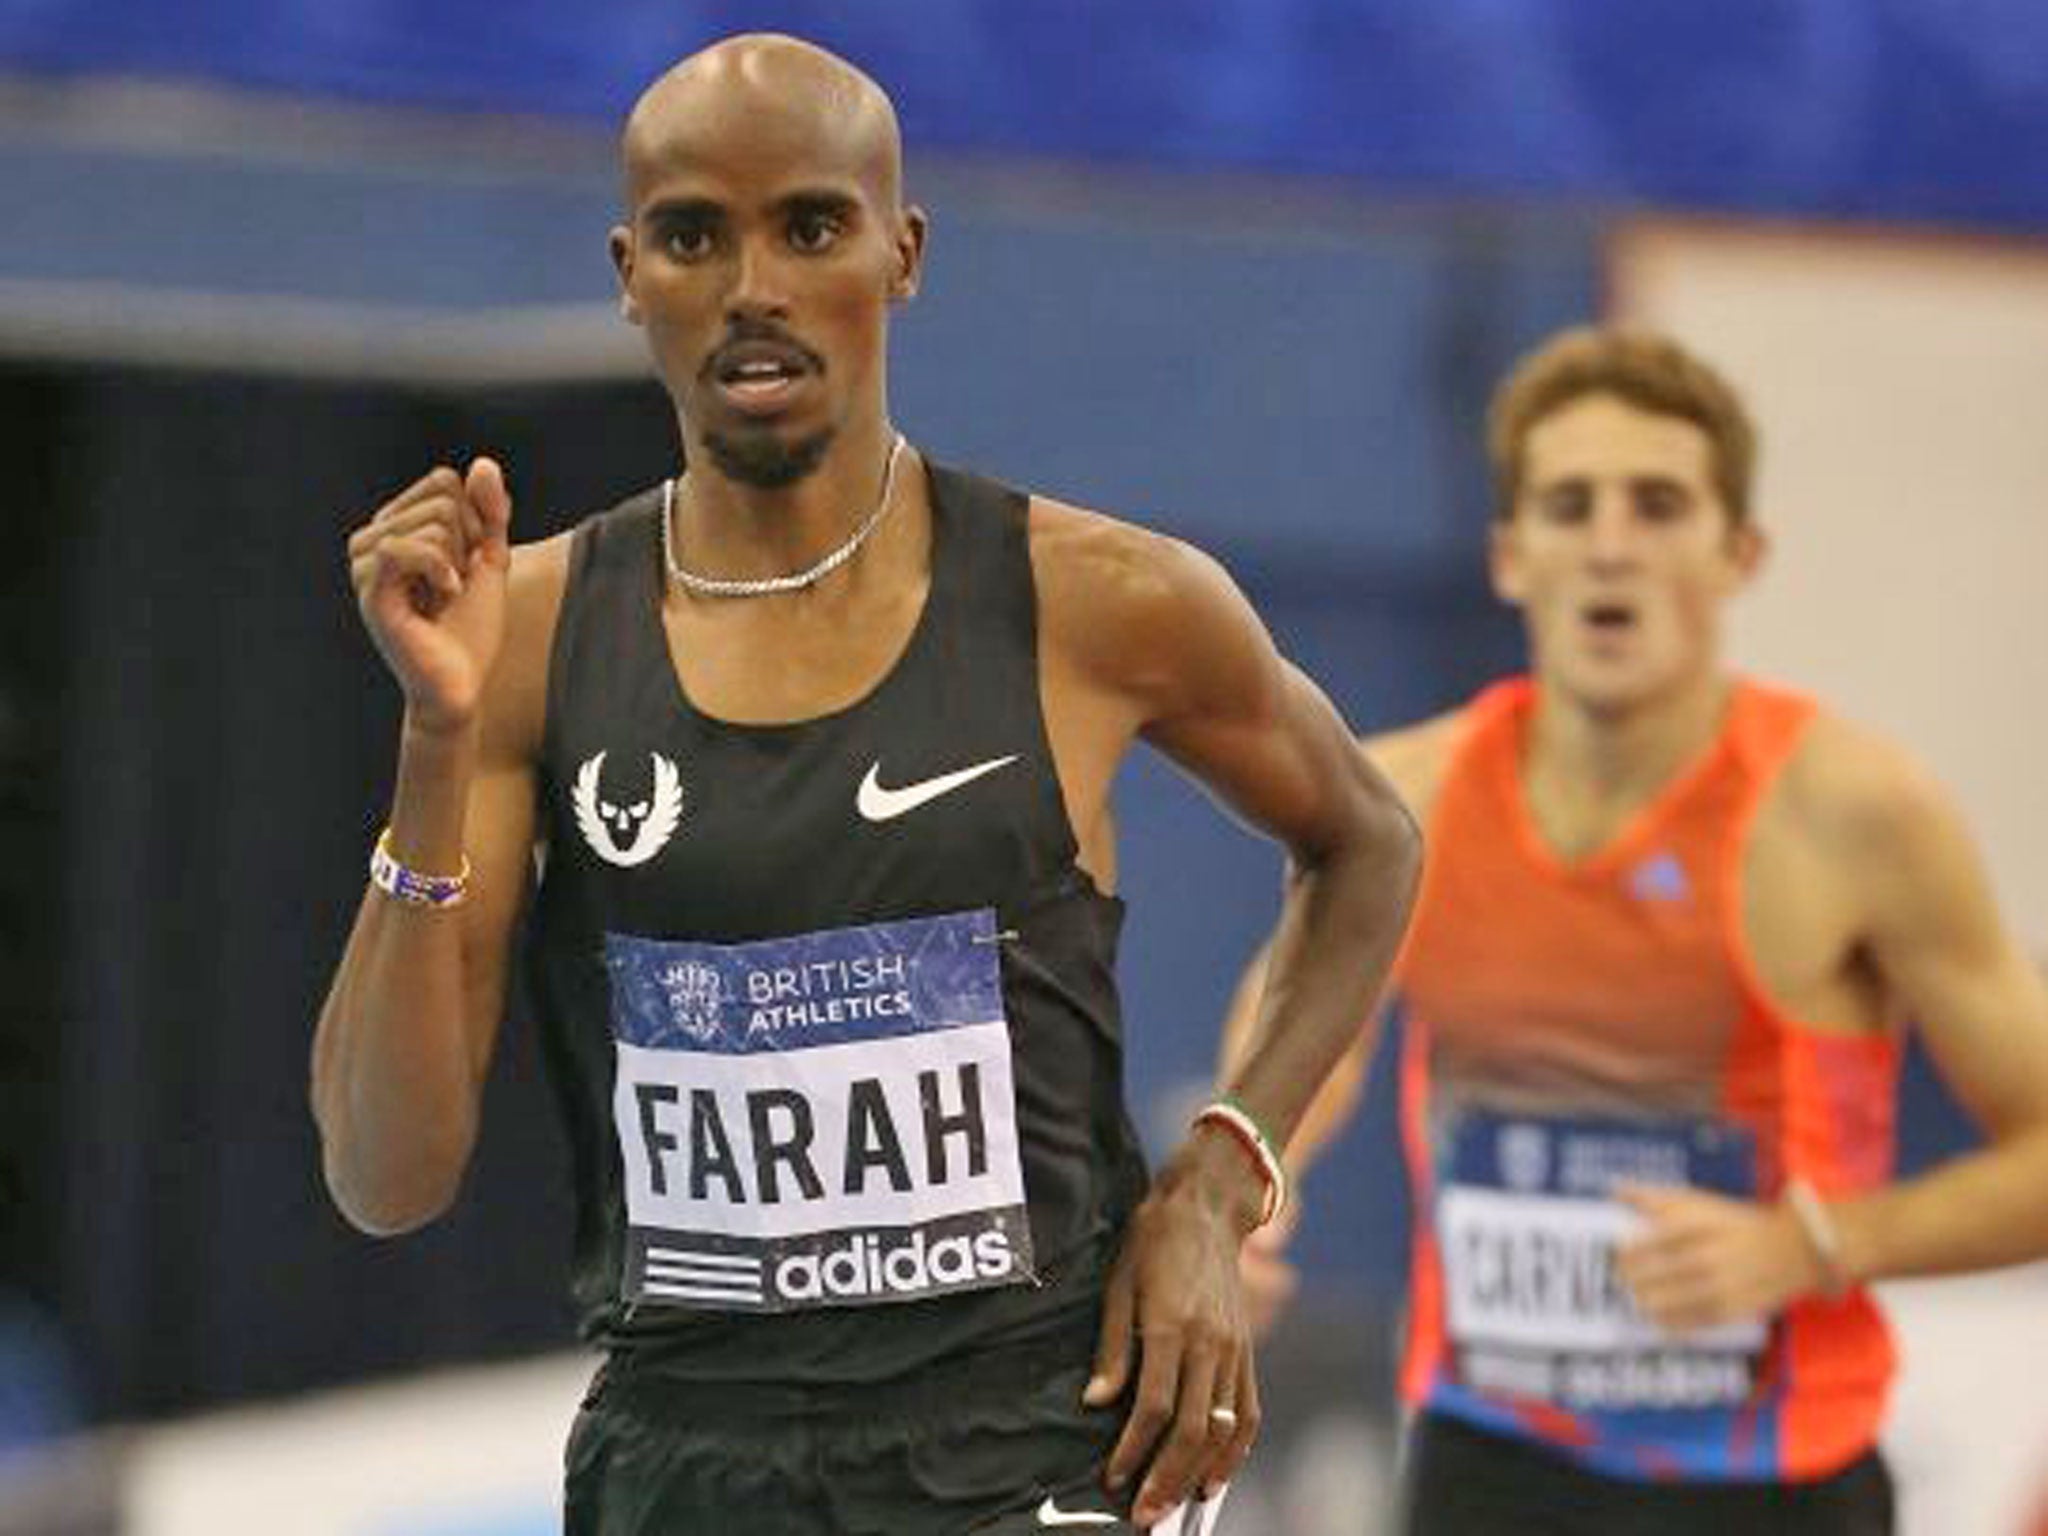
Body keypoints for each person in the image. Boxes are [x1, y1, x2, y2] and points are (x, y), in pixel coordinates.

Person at [312, 32, 1419, 1536]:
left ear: (901, 254)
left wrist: (1221, 1187)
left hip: (1036, 1450)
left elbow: (1367, 845)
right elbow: (388, 1177)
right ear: (631, 273)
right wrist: (434, 742)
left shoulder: (1104, 601)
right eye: (698, 235)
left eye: (810, 226)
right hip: (688, 1464)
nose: (754, 285)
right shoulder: (530, 640)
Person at [1224, 326, 2048, 1534]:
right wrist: (1251, 1184)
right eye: (1569, 506)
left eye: (1657, 505)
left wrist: (1808, 1245)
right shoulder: (1407, 802)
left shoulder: (1852, 815)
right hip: (1487, 1467)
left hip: (1773, 1486)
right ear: (1510, 556)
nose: (1610, 545)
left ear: (1738, 553)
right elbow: (1303, 1029)